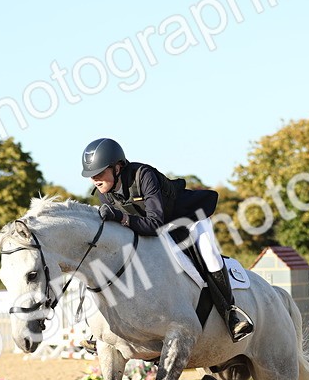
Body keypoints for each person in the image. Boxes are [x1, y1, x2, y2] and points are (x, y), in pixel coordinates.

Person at [80, 137, 253, 342]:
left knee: (210, 256)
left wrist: (121, 218)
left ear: (117, 167)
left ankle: (231, 314)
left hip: (189, 218)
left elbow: (154, 224)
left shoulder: (144, 175)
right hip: (155, 227)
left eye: (99, 173)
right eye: (91, 176)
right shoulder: (104, 193)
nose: (95, 179)